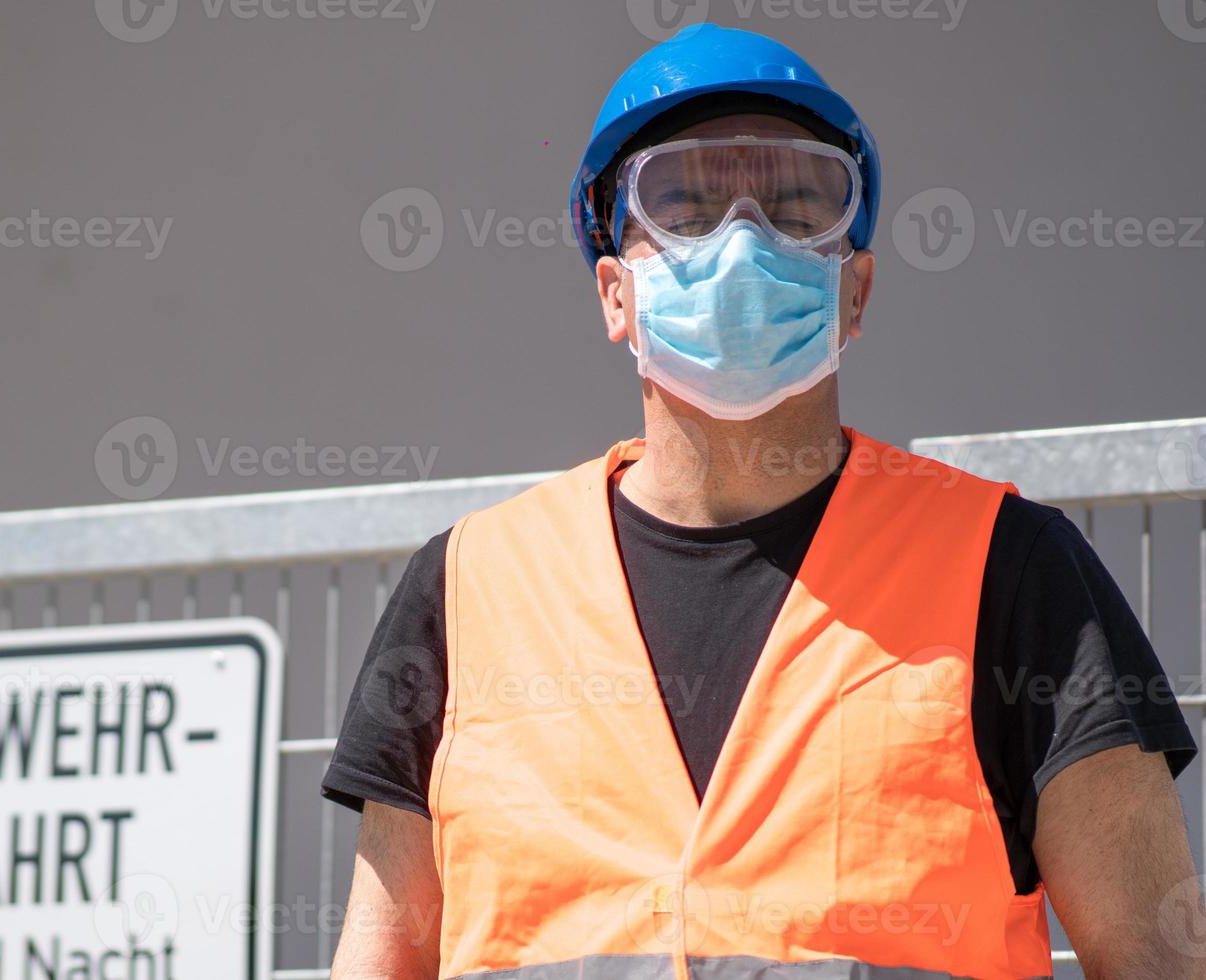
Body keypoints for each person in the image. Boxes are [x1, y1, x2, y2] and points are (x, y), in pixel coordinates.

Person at [323, 23, 1201, 980]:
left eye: (796, 206)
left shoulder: (1010, 565)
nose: (744, 240)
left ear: (854, 291)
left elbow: (1157, 959)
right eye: (686, 207)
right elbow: (380, 961)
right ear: (615, 293)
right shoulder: (466, 589)